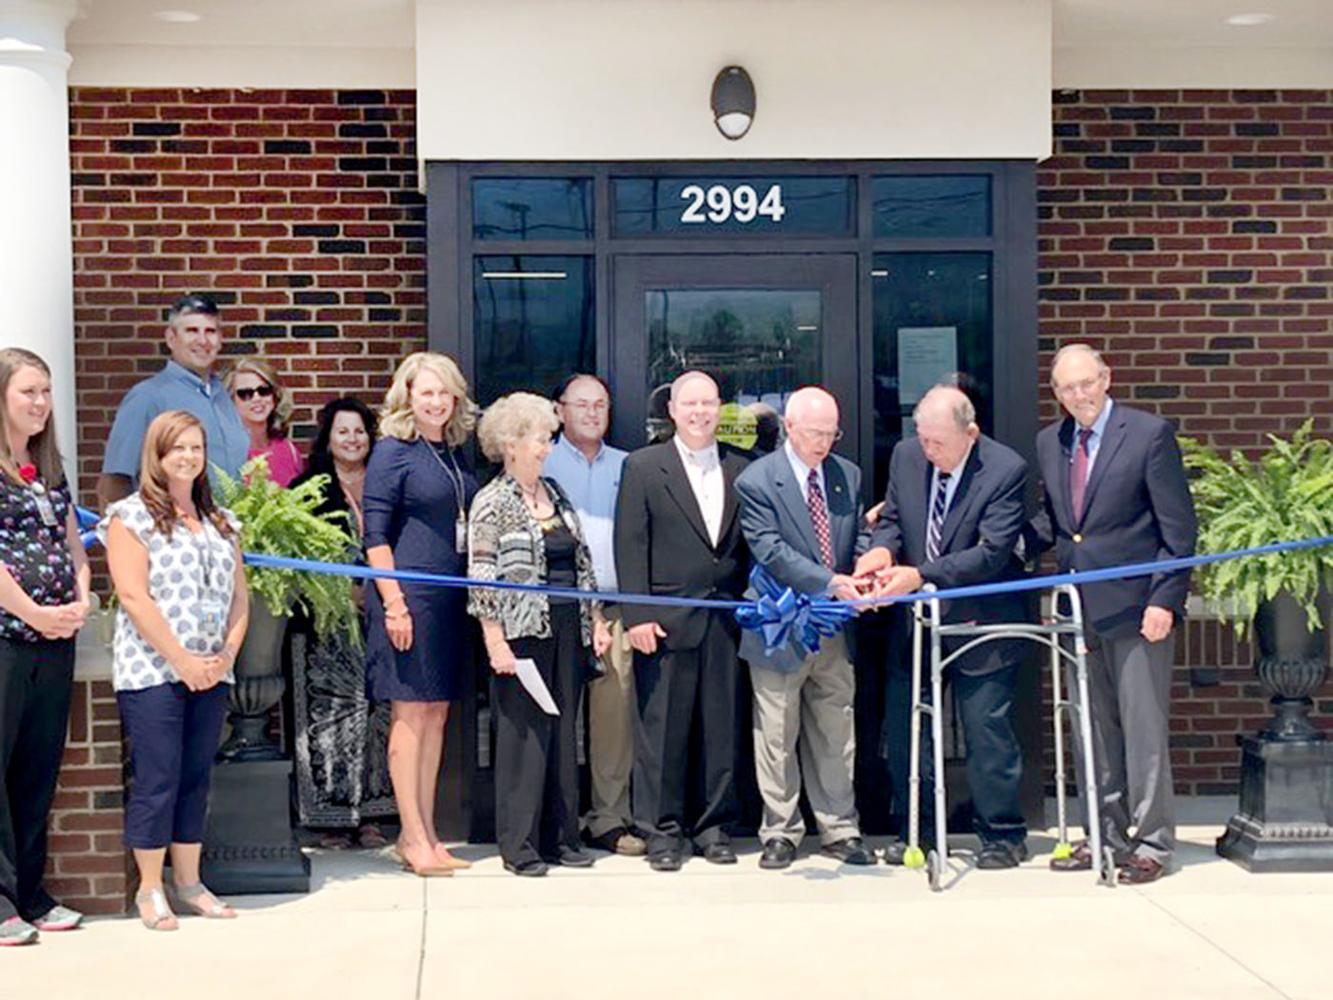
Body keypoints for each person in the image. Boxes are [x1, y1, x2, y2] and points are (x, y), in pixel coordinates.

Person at [1032, 343, 1196, 884]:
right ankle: (1103, 835)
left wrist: (1164, 599)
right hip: (1081, 612)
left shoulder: (1148, 435)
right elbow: (1059, 523)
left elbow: (1179, 530)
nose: (1078, 395)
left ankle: (1151, 843)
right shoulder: (1051, 442)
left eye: (1086, 383)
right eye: (1067, 388)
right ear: (1056, 393)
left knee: (1143, 732)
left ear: (1106, 379)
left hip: (1137, 609)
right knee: (1092, 732)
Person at [855, 385, 1032, 869]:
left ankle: (1002, 835)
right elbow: (893, 518)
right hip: (916, 625)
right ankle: (918, 831)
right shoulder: (906, 456)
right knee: (908, 730)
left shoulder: (1005, 469)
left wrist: (920, 575)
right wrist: (882, 550)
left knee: (986, 731)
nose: (928, 450)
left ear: (970, 434)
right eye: (923, 438)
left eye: (938, 442)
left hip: (982, 622)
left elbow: (991, 553)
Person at [102, 410, 249, 931]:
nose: (188, 457)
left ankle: (189, 883)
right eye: (177, 448)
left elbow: (240, 599)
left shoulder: (221, 521)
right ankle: (150, 888)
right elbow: (134, 597)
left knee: (195, 778)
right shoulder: (130, 517)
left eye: (196, 448)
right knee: (158, 777)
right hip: (153, 672)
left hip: (211, 671)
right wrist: (182, 661)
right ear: (157, 456)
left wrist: (224, 656)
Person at [469, 392, 612, 877]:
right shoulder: (491, 501)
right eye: (540, 438)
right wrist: (494, 641)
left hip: (568, 628)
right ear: (510, 444)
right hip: (521, 633)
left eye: (548, 438)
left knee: (563, 733)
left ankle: (562, 837)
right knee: (523, 738)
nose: (547, 447)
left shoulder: (556, 492)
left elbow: (582, 561)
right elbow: (481, 576)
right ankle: (521, 845)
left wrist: (595, 619)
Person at [614, 371, 750, 872]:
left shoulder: (742, 467)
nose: (699, 413)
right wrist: (637, 616)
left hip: (725, 620)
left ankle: (714, 828)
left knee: (721, 729)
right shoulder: (643, 467)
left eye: (708, 404)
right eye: (689, 404)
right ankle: (662, 831)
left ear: (721, 409)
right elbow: (630, 544)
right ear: (671, 410)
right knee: (662, 732)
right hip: (665, 622)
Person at [735, 387, 874, 869]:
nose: (824, 443)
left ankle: (840, 827)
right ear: (789, 426)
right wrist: (829, 582)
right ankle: (780, 830)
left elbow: (859, 534)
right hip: (781, 623)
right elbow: (769, 549)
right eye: (815, 433)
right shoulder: (757, 480)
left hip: (834, 625)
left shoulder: (846, 474)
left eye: (832, 433)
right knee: (776, 731)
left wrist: (863, 572)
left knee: (836, 726)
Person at [362, 352, 478, 877]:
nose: (436, 402)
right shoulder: (393, 451)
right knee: (410, 715)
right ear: (407, 396)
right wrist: (394, 603)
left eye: (444, 392)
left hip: (449, 602)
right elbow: (375, 535)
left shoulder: (452, 452)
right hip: (409, 600)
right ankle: (409, 836)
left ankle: (429, 832)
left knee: (436, 715)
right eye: (426, 392)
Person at [0, 349, 92, 946]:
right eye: (28, 392)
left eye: (45, 392)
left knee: (37, 769)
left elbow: (73, 546)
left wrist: (80, 602)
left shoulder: (49, 472)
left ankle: (31, 893)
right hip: (7, 638)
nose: (40, 403)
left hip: (54, 643)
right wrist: (32, 612)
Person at [542, 374, 645, 856]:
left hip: (615, 605)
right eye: (580, 404)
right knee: (555, 715)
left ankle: (608, 818)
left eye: (600, 404)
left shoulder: (629, 466)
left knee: (613, 720)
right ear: (559, 410)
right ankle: (555, 820)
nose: (591, 412)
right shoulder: (541, 461)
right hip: (559, 608)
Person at [289, 398, 393, 849]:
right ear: (327, 439)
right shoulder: (308, 489)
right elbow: (296, 557)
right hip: (326, 624)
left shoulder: (386, 483)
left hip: (383, 616)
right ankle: (330, 819)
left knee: (378, 713)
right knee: (332, 720)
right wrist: (343, 594)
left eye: (360, 431)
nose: (353, 439)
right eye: (343, 431)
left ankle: (372, 816)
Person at [98, 294, 249, 507]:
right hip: (168, 524)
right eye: (192, 331)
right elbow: (114, 482)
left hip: (225, 524)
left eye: (210, 331)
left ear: (220, 339)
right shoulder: (147, 397)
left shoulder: (224, 396)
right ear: (171, 338)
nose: (203, 341)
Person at [225, 357, 304, 487]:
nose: (257, 398)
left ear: (275, 396)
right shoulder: (225, 455)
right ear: (231, 401)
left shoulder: (289, 450)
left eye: (263, 391)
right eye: (245, 393)